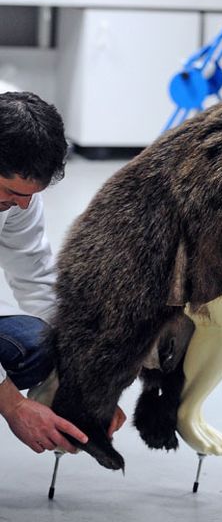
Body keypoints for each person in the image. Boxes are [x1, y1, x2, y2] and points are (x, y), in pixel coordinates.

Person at [0, 89, 126, 455]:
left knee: (39, 344)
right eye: (11, 191)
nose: (22, 204)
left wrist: (85, 389)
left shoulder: (19, 201)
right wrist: (13, 405)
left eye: (30, 195)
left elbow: (37, 279)